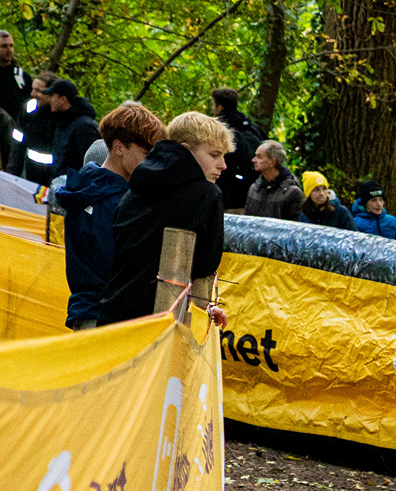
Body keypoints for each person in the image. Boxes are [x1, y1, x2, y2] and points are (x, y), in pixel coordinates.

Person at [98, 111, 230, 326]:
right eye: (214, 155)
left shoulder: (135, 188)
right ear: (186, 151)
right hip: (159, 324)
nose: (223, 165)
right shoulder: (207, 196)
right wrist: (203, 308)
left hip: (112, 316)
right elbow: (205, 266)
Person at [56, 104, 167, 330]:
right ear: (118, 147)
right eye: (146, 153)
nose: (151, 162)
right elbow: (117, 264)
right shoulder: (111, 200)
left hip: (91, 311)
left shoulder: (87, 187)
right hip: (107, 317)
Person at [210, 87, 265, 211]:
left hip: (227, 198)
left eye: (213, 104)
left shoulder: (217, 130)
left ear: (219, 107)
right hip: (254, 196)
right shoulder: (253, 128)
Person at [40, 79, 98, 177]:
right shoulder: (61, 123)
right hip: (60, 186)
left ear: (63, 99)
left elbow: (91, 165)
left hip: (73, 189)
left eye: (52, 96)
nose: (49, 99)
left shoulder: (84, 127)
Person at [9, 72, 58, 185]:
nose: (32, 94)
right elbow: (17, 143)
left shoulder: (60, 114)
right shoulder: (28, 108)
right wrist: (12, 172)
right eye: (33, 89)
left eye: (38, 90)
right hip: (30, 173)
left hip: (52, 176)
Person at [244, 140, 303, 219]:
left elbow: (295, 228)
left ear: (272, 162)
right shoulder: (254, 189)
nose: (253, 160)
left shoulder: (292, 193)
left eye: (259, 157)